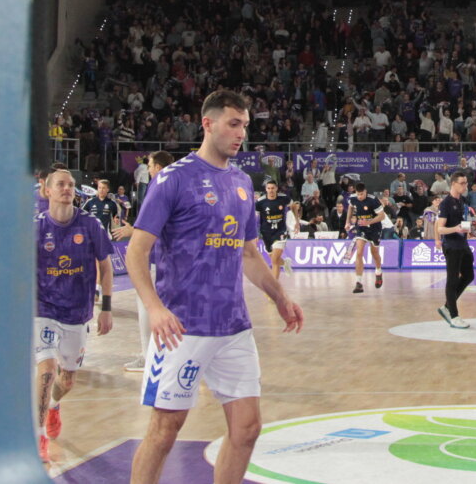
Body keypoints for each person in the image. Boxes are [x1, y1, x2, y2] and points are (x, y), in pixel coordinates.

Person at [125, 89, 304, 484]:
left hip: (233, 327)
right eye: (233, 124)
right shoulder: (174, 179)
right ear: (207, 123)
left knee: (247, 429)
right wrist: (155, 308)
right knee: (164, 431)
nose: (241, 133)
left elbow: (250, 255)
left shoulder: (242, 182)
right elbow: (136, 253)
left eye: (245, 125)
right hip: (182, 327)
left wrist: (280, 298)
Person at [34, 167, 113, 463]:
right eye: (61, 184)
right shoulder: (36, 227)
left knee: (66, 380)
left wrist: (106, 307)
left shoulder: (90, 225)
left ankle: (54, 406)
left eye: (71, 184)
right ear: (48, 191)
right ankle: (38, 434)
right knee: (47, 369)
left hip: (78, 312)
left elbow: (105, 266)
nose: (67, 188)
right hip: (43, 309)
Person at [114, 151, 175, 373]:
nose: (148, 170)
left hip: (158, 259)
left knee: (147, 305)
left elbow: (154, 227)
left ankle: (148, 355)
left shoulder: (159, 186)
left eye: (150, 165)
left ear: (158, 167)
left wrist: (133, 231)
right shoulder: (179, 185)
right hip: (170, 260)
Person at [435, 170, 475, 329]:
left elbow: (464, 222)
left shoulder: (463, 201)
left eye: (466, 183)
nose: (465, 186)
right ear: (453, 184)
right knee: (452, 279)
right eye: (462, 183)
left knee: (469, 275)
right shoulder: (445, 204)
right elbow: (440, 229)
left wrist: (468, 230)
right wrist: (456, 229)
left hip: (463, 244)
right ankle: (454, 315)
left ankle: (447, 306)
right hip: (451, 246)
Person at [345, 182, 385, 293]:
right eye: (358, 194)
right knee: (359, 252)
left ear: (365, 192)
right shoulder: (353, 198)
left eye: (361, 194)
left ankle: (378, 272)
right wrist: (347, 222)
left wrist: (369, 221)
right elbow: (350, 208)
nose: (359, 197)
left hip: (374, 228)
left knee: (374, 253)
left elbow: (382, 216)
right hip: (361, 228)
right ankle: (359, 283)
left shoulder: (373, 200)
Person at [256, 180, 295, 280]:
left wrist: (297, 220)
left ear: (276, 188)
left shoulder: (284, 198)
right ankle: (285, 263)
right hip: (266, 233)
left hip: (280, 231)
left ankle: (274, 289)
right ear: (266, 189)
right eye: (268, 188)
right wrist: (255, 233)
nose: (271, 190)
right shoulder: (260, 202)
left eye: (273, 188)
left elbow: (293, 205)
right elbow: (255, 218)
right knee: (274, 259)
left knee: (274, 261)